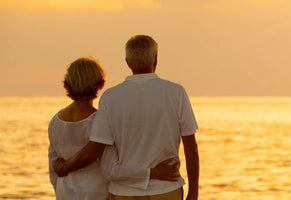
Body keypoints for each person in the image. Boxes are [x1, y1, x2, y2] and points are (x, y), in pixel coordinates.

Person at [54, 35, 200, 200]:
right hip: (166, 189)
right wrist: (193, 193)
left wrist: (65, 167)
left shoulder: (110, 98)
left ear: (127, 62)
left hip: (123, 193)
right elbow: (191, 148)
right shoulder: (176, 92)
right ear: (156, 59)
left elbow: (97, 148)